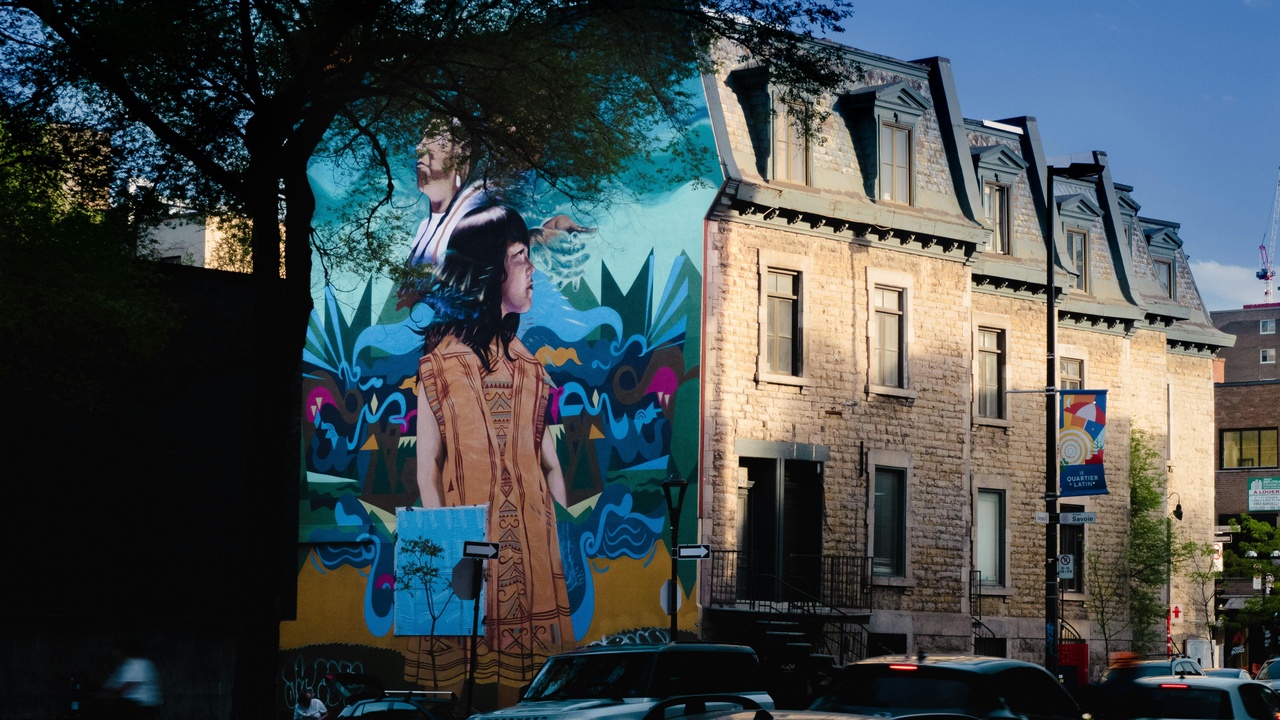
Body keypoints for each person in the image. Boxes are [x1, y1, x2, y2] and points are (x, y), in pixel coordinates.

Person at [415, 203, 574, 662]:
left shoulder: (529, 367)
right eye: (522, 257)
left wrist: (556, 541)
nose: (532, 271)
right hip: (470, 565)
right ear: (488, 270)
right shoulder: (439, 366)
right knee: (472, 675)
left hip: (534, 564)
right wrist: (450, 559)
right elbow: (429, 471)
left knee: (534, 685)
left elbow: (551, 465)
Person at [101, 641, 162, 720]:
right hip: (136, 704)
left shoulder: (138, 663)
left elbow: (131, 685)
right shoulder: (127, 665)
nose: (116, 654)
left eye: (118, 651)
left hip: (141, 705)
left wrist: (112, 695)